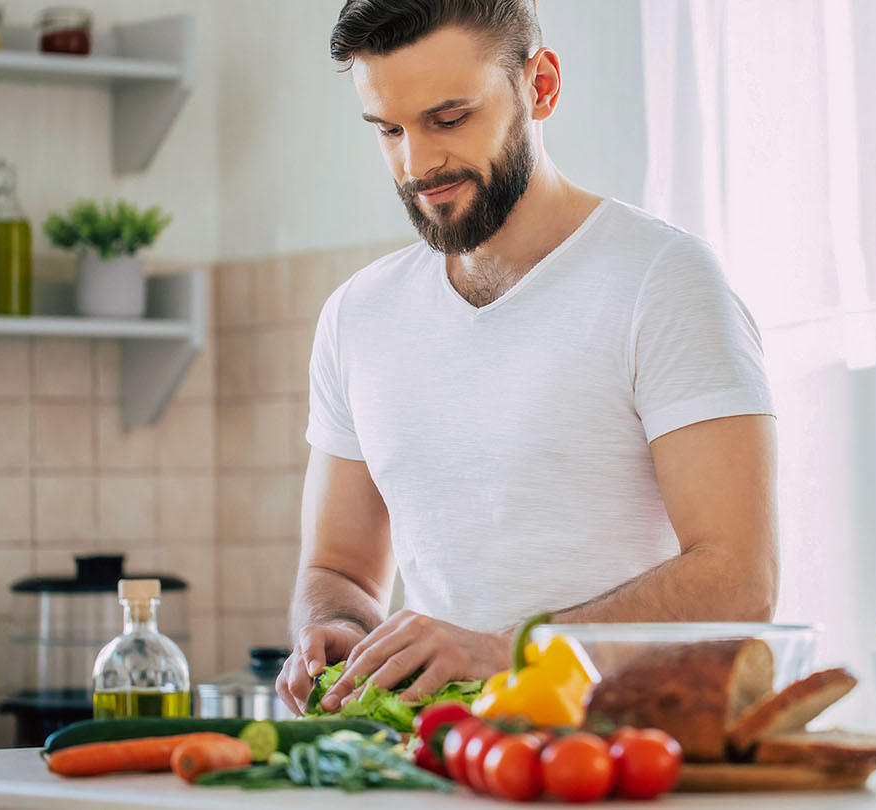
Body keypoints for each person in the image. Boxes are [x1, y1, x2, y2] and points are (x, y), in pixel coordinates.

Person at [275, 0, 779, 716]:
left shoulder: (663, 279)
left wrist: (505, 650)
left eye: (449, 119)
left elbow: (739, 578)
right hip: (445, 763)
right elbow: (338, 568)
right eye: (389, 129)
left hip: (634, 760)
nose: (417, 164)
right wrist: (336, 631)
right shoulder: (358, 316)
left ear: (540, 86)